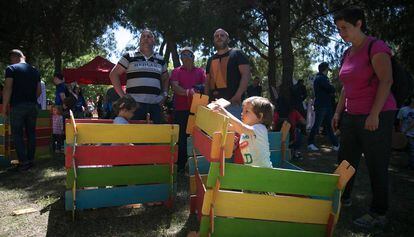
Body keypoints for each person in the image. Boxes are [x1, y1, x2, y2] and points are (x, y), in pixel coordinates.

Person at [332, 7, 397, 228]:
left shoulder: (376, 47)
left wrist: (375, 114)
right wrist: (338, 112)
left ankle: (379, 212)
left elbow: (386, 81)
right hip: (351, 115)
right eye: (339, 29)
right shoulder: (347, 53)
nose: (342, 33)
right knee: (345, 161)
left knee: (376, 164)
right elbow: (345, 87)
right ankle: (342, 199)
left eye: (345, 28)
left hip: (377, 115)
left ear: (359, 24)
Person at [110, 29, 169, 124]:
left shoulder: (161, 59)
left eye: (149, 36)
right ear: (140, 40)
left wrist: (164, 95)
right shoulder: (129, 56)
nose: (146, 38)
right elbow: (113, 74)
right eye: (143, 36)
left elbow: (166, 78)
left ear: (154, 41)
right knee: (133, 136)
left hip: (155, 105)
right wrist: (123, 96)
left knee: (156, 136)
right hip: (134, 106)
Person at [2, 49, 41, 171]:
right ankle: (31, 160)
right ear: (23, 56)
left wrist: (4, 108)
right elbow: (39, 91)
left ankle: (23, 162)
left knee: (17, 134)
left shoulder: (11, 69)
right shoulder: (35, 71)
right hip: (32, 106)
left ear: (14, 58)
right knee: (31, 133)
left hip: (18, 106)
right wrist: (30, 100)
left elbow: (7, 88)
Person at [170, 47, 206, 172]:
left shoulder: (201, 71)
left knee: (197, 138)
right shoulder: (176, 71)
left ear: (193, 57)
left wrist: (198, 90)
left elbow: (206, 86)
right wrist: (188, 92)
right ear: (180, 58)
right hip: (181, 110)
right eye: (183, 55)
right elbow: (175, 87)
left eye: (188, 54)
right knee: (181, 139)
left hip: (198, 110)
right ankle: (181, 166)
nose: (185, 57)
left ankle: (196, 166)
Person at [212, 96, 274, 168]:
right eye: (243, 110)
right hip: (252, 172)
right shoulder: (246, 130)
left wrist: (225, 112)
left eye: (247, 111)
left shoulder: (260, 128)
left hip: (265, 172)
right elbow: (228, 126)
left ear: (260, 116)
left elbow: (241, 127)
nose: (242, 113)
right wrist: (218, 113)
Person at [205, 28, 251, 119]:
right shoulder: (210, 60)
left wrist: (237, 96)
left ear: (228, 39)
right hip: (213, 106)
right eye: (216, 36)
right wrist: (206, 100)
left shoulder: (237, 53)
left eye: (222, 35)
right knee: (215, 133)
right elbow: (207, 81)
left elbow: (246, 75)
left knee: (234, 133)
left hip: (234, 105)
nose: (219, 37)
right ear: (214, 40)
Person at [307, 62, 339, 151]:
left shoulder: (320, 78)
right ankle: (310, 143)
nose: (328, 71)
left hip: (324, 105)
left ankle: (335, 144)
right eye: (328, 70)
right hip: (322, 105)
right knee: (317, 125)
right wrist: (332, 87)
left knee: (328, 126)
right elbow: (330, 89)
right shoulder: (321, 78)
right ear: (325, 69)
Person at [397, 94, 414, 169]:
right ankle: (407, 164)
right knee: (406, 150)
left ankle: (411, 165)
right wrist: (401, 131)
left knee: (412, 151)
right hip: (404, 133)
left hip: (411, 134)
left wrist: (406, 131)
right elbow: (400, 121)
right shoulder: (403, 109)